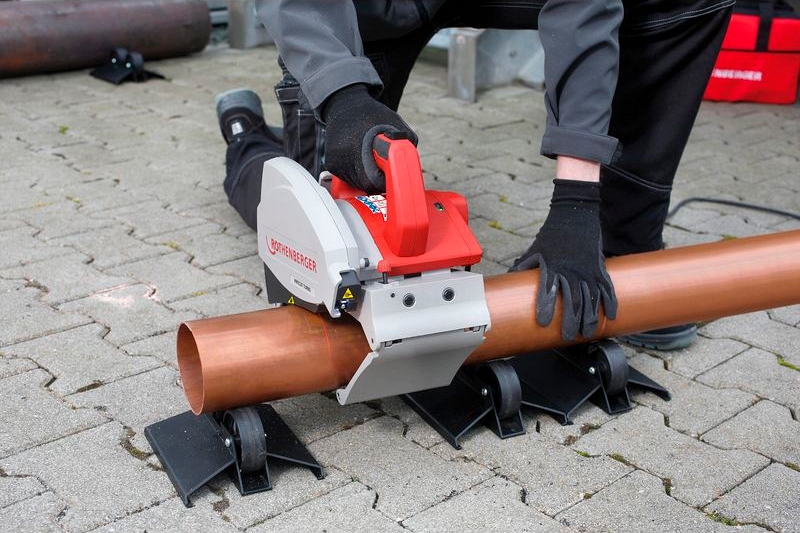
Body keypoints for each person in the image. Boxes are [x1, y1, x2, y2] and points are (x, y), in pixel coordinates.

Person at [215, 0, 734, 349]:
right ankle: (246, 138)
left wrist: (578, 201)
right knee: (319, 231)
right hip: (371, 8)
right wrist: (341, 95)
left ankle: (624, 247)